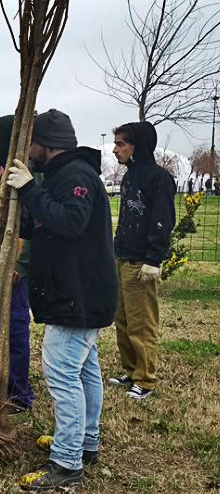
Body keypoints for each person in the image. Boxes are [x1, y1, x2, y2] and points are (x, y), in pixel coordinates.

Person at [6, 109, 118, 490]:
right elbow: (45, 224)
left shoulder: (75, 176)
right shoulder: (61, 175)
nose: (29, 150)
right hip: (79, 291)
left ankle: (67, 463)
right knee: (86, 371)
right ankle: (85, 442)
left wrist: (29, 190)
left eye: (32, 142)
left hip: (77, 294)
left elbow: (69, 222)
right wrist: (24, 206)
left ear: (47, 144)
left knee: (63, 374)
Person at [108, 122, 176, 400]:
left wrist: (154, 258)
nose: (115, 149)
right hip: (122, 257)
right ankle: (132, 370)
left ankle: (145, 379)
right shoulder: (129, 177)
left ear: (138, 146)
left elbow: (163, 219)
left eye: (121, 144)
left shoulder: (158, 178)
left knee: (142, 322)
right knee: (122, 320)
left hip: (141, 262)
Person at [0, 114, 35, 413]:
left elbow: (31, 228)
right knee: (4, 325)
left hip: (18, 268)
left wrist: (22, 264)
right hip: (4, 263)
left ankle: (20, 394)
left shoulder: (24, 177)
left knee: (16, 325)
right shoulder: (4, 176)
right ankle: (5, 382)